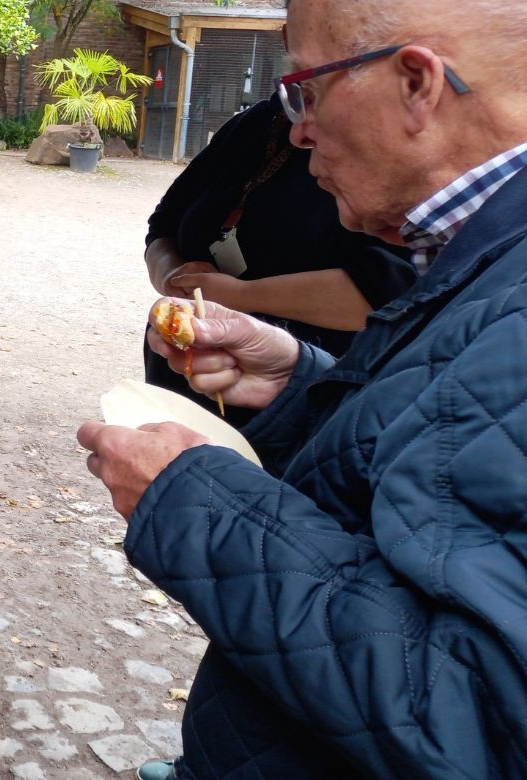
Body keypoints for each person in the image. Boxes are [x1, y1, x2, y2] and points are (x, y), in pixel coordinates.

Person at [79, 0, 527, 776]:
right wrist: (298, 389)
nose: (296, 129)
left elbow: (472, 722)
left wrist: (192, 501)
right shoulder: (480, 256)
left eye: (308, 92)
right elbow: (425, 478)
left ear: (418, 83)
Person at [143, 95, 416, 425]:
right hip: (178, 381)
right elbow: (163, 223)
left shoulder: (380, 139)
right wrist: (176, 277)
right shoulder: (258, 120)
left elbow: (392, 287)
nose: (300, 135)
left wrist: (238, 295)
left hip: (292, 406)